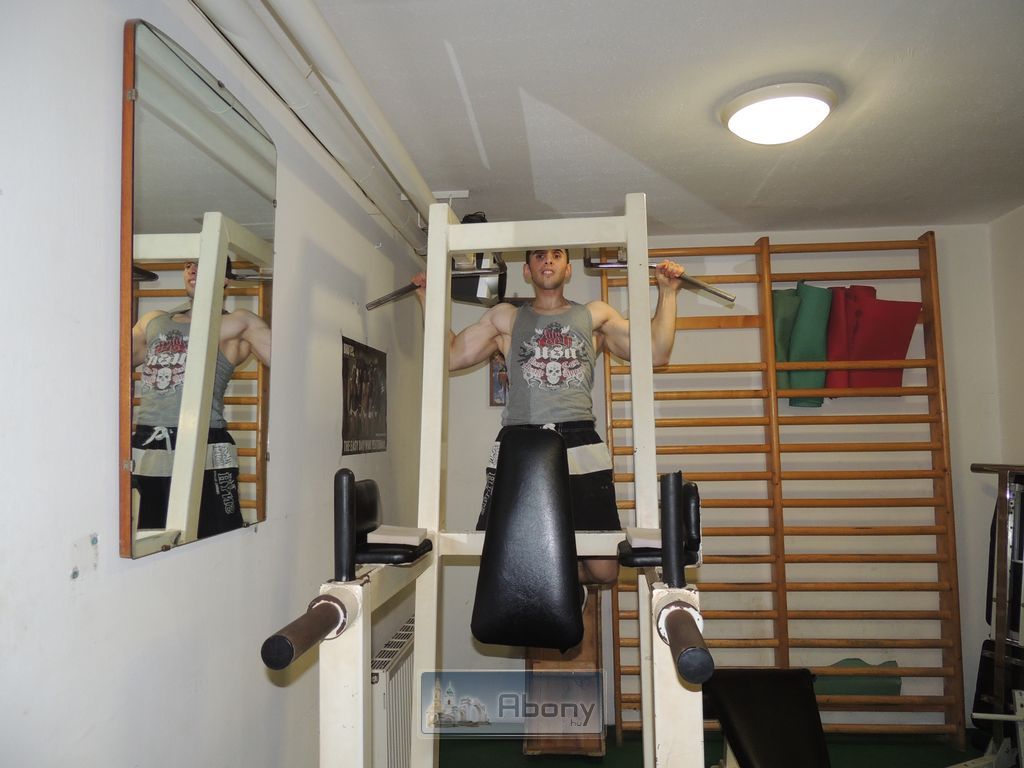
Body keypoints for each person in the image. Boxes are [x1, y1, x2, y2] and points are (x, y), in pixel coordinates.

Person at [414, 248, 685, 584]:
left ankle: (560, 585)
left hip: (579, 439)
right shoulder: (506, 319)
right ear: (527, 271)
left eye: (557, 255)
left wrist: (668, 293)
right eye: (539, 256)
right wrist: (428, 299)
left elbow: (656, 351)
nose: (548, 261)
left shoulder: (595, 316)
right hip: (522, 440)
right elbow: (450, 356)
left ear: (568, 269)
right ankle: (553, 588)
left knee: (605, 571)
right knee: (508, 550)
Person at [131, 257, 271, 540]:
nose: (192, 269)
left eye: (202, 264)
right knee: (153, 539)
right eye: (188, 265)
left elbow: (290, 361)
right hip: (152, 443)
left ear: (224, 280)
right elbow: (112, 362)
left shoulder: (238, 323)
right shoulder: (153, 321)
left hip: (207, 440)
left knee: (218, 537)